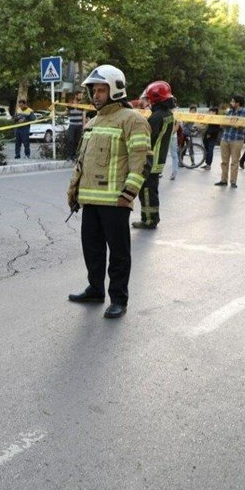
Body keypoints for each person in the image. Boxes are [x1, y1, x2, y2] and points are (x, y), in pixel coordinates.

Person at [66, 64, 152, 319]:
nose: (96, 95)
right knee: (92, 249)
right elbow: (82, 161)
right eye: (94, 91)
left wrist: (129, 193)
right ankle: (95, 289)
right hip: (90, 200)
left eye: (101, 90)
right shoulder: (93, 122)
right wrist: (74, 191)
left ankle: (119, 299)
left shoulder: (132, 120)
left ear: (115, 90)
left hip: (116, 201)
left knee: (118, 253)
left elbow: (142, 160)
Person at [132, 80, 175, 229]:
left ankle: (149, 220)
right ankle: (152, 218)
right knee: (151, 190)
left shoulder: (156, 117)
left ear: (155, 98)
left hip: (151, 160)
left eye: (148, 98)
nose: (146, 101)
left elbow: (148, 139)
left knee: (146, 191)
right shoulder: (168, 114)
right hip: (159, 159)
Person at [215, 94, 245, 188]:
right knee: (224, 162)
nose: (231, 103)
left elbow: (241, 126)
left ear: (238, 103)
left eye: (232, 101)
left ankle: (233, 182)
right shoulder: (229, 111)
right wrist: (229, 123)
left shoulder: (244, 112)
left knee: (234, 162)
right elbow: (223, 125)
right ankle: (223, 180)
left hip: (237, 140)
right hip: (225, 138)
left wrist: (231, 123)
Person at [65, 94, 86, 161]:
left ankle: (74, 156)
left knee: (77, 141)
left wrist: (84, 126)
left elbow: (84, 116)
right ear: (76, 96)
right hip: (72, 125)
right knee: (70, 140)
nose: (81, 97)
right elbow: (65, 113)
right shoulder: (70, 105)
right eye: (80, 95)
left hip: (79, 126)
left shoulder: (82, 106)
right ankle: (69, 156)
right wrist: (56, 112)